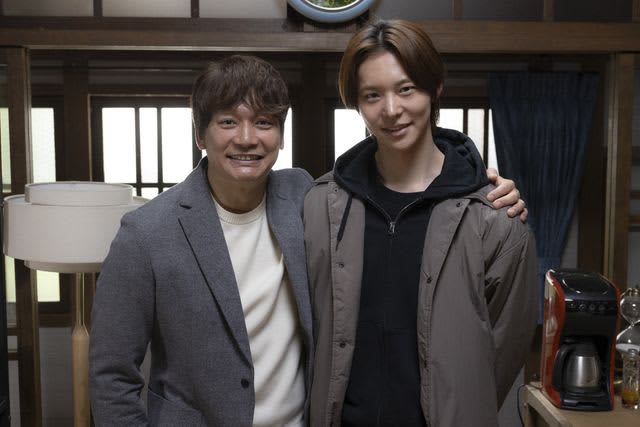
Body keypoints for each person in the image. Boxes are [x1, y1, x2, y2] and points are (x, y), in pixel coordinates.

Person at [89, 55, 524, 426]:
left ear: (280, 135)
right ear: (200, 134)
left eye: (264, 122)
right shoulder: (146, 234)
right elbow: (112, 378)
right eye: (228, 122)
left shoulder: (303, 197)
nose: (247, 138)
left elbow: (395, 175)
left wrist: (478, 183)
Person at [303, 20, 538, 427]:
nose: (391, 110)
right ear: (356, 104)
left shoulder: (495, 218)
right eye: (372, 95)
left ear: (435, 89)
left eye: (406, 89)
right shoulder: (321, 205)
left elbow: (501, 351)